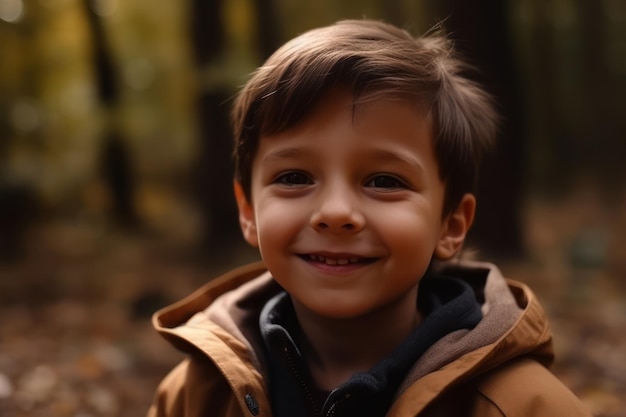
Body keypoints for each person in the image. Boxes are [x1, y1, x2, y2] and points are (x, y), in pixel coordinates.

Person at [147, 19, 592, 417]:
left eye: (383, 181)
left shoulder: (524, 406)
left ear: (450, 224)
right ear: (249, 212)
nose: (336, 213)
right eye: (295, 176)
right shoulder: (196, 396)